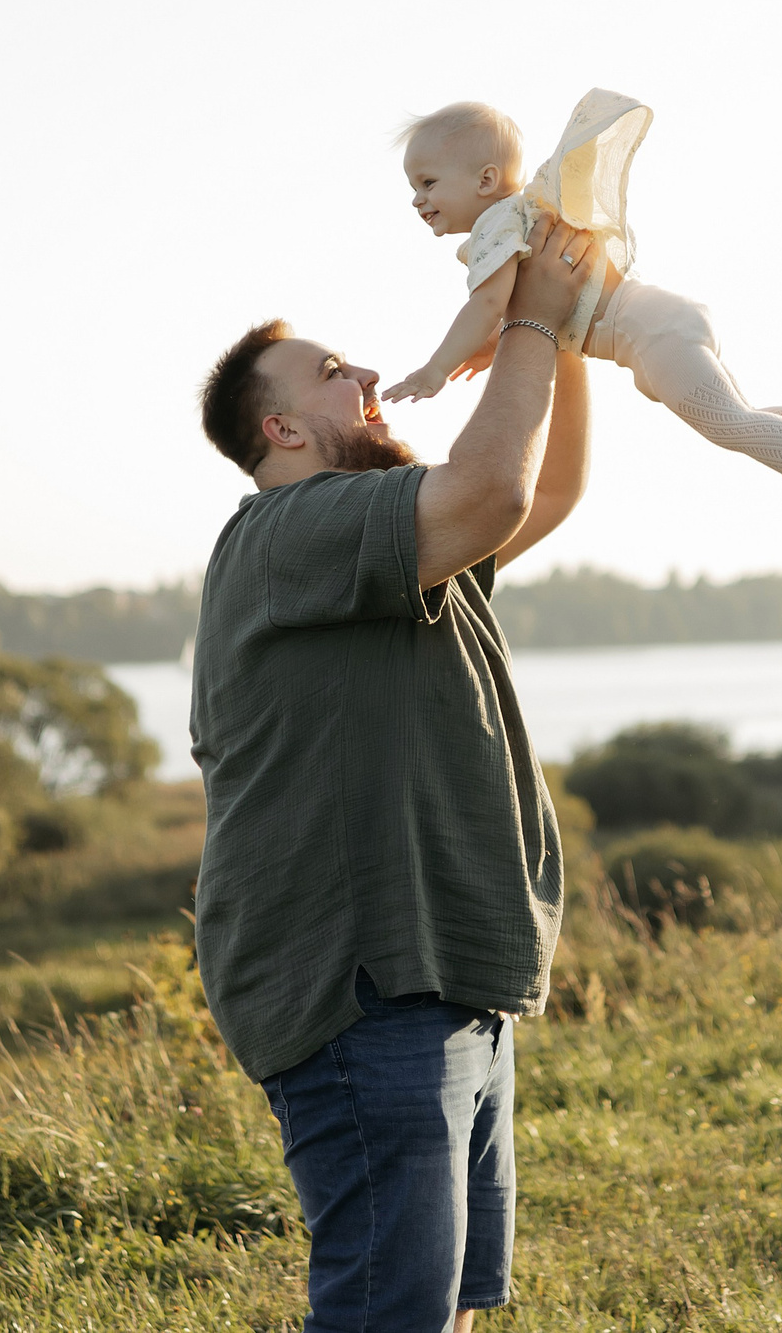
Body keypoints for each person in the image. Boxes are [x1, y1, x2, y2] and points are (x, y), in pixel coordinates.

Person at [189, 224, 601, 1331]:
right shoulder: (291, 531)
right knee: (391, 1313)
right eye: (332, 375)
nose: (368, 375)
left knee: (448, 1308)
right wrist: (527, 317)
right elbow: (491, 494)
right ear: (279, 429)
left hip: (446, 978)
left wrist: (566, 327)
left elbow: (540, 490)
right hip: (361, 987)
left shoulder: (387, 541)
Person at [384, 90, 782, 565]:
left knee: (731, 425)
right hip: (659, 317)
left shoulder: (494, 227)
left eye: (427, 182)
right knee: (746, 416)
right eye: (413, 186)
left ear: (484, 179)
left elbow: (488, 304)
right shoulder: (523, 215)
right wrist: (496, 347)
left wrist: (435, 370)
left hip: (646, 332)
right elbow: (530, 309)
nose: (416, 198)